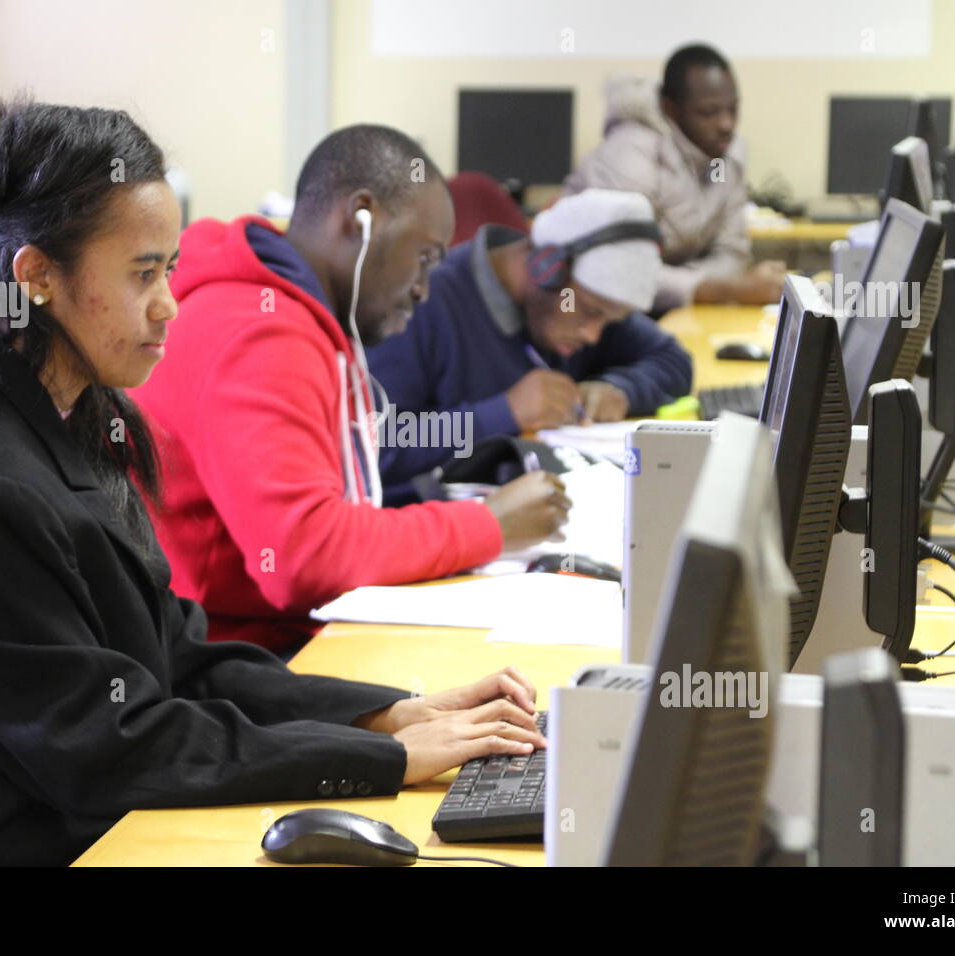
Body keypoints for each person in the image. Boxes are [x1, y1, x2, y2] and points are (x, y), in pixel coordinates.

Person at [0, 101, 547, 867]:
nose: (170, 305)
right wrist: (384, 763)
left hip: (58, 802)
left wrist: (386, 716)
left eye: (171, 269)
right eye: (143, 274)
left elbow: (177, 652)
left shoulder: (75, 405)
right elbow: (106, 749)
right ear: (36, 279)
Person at [131, 125, 570, 657]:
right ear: (361, 219)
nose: (423, 289)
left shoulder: (299, 316)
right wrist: (487, 524)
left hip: (265, 640)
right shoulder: (261, 331)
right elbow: (302, 557)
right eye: (425, 258)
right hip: (228, 664)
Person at [368, 188, 693, 496]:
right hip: (441, 528)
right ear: (545, 269)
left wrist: (622, 390)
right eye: (591, 312)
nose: (594, 335)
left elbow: (673, 359)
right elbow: (380, 447)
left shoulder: (585, 298)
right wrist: (503, 413)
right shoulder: (419, 304)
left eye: (609, 321)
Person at [562, 43, 785, 314]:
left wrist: (699, 285)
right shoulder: (630, 155)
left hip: (672, 305)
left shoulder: (726, 152)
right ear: (671, 109)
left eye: (733, 109)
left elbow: (732, 252)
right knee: (674, 356)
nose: (727, 124)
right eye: (709, 112)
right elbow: (620, 270)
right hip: (593, 310)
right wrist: (725, 289)